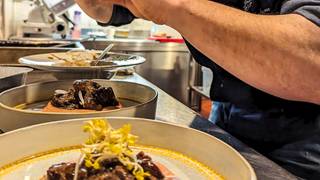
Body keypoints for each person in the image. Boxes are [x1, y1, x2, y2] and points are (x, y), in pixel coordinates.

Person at [75, 0, 320, 179]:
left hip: (305, 132)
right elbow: (109, 10)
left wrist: (174, 6)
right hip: (225, 112)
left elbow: (312, 65)